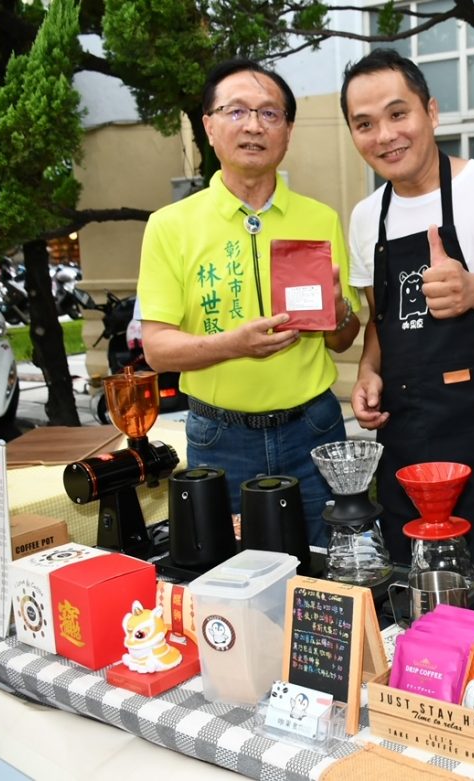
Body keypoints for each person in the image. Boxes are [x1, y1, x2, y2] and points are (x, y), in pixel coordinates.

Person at [340, 49, 474, 570]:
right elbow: (383, 321)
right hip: (410, 442)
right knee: (419, 600)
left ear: (431, 113)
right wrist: (369, 371)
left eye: (399, 114)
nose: (385, 135)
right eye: (365, 124)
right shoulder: (366, 217)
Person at [138, 58, 361, 546]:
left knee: (330, 564)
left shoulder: (319, 217)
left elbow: (343, 338)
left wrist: (341, 311)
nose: (254, 126)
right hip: (221, 437)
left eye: (270, 114)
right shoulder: (170, 225)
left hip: (314, 428)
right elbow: (156, 350)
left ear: (288, 131)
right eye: (236, 111)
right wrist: (234, 344)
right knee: (233, 580)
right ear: (209, 127)